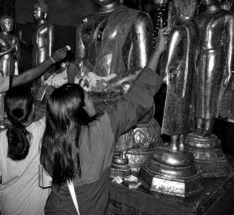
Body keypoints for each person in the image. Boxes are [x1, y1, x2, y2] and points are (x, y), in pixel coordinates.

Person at [40, 30, 165, 215]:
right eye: (87, 97)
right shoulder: (101, 131)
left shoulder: (51, 139)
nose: (91, 98)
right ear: (81, 108)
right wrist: (158, 50)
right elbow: (136, 97)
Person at [0, 85, 49, 215]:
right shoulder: (43, 129)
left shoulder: (1, 138)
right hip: (37, 209)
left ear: (7, 113)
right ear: (33, 108)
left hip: (9, 208)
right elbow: (59, 108)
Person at [160, 0, 198, 150]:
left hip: (176, 75)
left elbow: (169, 57)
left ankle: (175, 144)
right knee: (185, 108)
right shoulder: (194, 28)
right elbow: (198, 54)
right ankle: (182, 142)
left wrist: (164, 75)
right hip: (190, 76)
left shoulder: (178, 30)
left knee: (174, 108)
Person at [194, 0, 234, 136]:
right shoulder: (198, 17)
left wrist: (229, 68)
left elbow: (231, 45)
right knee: (198, 91)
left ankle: (208, 125)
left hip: (214, 55)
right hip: (198, 56)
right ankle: (198, 123)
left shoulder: (226, 16)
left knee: (210, 91)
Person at [0, 15, 20, 126]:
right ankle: (0, 116)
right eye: (8, 23)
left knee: (10, 90)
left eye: (11, 23)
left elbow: (18, 55)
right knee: (1, 90)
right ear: (2, 25)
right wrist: (8, 51)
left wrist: (16, 55)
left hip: (11, 64)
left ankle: (9, 114)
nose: (10, 25)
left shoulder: (14, 38)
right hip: (1, 65)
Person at [33, 0, 54, 84]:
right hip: (35, 54)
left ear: (44, 13)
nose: (34, 13)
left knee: (41, 75)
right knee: (33, 75)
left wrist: (49, 63)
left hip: (43, 54)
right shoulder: (35, 28)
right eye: (33, 11)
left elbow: (50, 46)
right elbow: (33, 44)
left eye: (36, 11)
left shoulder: (49, 27)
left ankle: (42, 94)